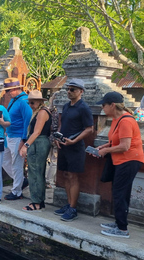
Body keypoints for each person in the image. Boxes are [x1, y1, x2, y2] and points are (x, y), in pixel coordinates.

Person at [95, 91, 144, 238]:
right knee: (120, 192)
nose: (102, 108)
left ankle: (122, 229)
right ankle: (119, 222)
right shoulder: (117, 119)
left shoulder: (126, 121)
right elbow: (115, 141)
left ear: (112, 105)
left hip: (129, 160)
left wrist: (106, 150)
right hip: (122, 160)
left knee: (119, 193)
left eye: (104, 105)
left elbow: (125, 146)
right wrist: (103, 147)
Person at [54, 78, 93, 221]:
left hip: (75, 146)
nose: (69, 92)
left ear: (81, 92)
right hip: (63, 145)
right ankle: (69, 203)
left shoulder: (83, 108)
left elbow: (89, 128)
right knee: (65, 175)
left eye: (72, 90)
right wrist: (58, 138)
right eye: (68, 89)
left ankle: (73, 208)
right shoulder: (66, 106)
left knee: (73, 176)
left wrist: (75, 140)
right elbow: (61, 124)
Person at [19, 90, 52, 211]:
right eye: (29, 103)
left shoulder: (42, 112)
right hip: (38, 142)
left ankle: (36, 202)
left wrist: (25, 145)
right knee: (36, 172)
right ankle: (39, 200)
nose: (30, 105)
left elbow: (37, 132)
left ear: (39, 102)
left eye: (32, 103)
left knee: (35, 173)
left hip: (39, 142)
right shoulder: (39, 111)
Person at [1, 77, 32, 201]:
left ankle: (16, 191)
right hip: (10, 135)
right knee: (4, 160)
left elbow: (27, 122)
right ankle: (21, 182)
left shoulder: (24, 101)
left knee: (16, 164)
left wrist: (23, 140)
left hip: (18, 136)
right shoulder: (14, 100)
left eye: (8, 91)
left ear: (15, 88)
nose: (7, 93)